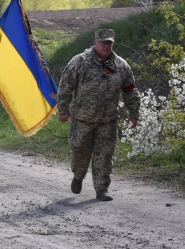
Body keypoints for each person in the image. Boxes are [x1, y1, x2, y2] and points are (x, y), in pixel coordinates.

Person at [56, 29, 140, 202]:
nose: (106, 46)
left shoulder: (120, 65)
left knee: (105, 155)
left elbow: (130, 91)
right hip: (82, 119)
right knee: (79, 151)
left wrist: (133, 113)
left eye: (109, 43)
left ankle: (102, 188)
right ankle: (78, 175)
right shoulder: (79, 62)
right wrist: (63, 109)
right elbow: (65, 87)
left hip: (108, 120)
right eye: (103, 43)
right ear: (95, 43)